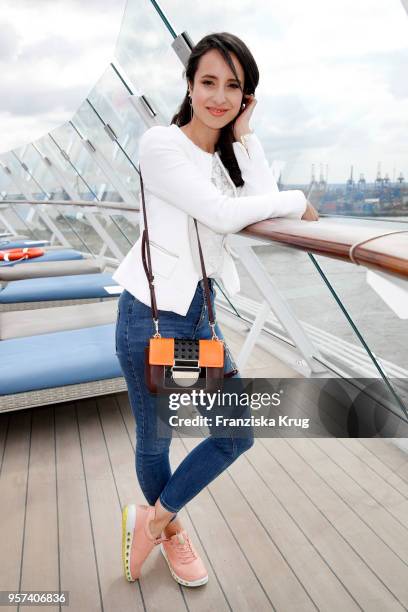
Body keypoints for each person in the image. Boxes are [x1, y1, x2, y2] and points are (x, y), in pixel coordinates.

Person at [113, 31, 319, 588]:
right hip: (154, 316)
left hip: (199, 317)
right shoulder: (161, 144)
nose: (220, 97)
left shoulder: (225, 156)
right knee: (157, 437)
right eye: (209, 82)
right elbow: (224, 214)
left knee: (235, 434)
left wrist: (246, 137)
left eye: (235, 87)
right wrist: (297, 202)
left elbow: (257, 196)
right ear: (189, 84)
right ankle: (172, 533)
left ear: (246, 97)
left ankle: (153, 520)